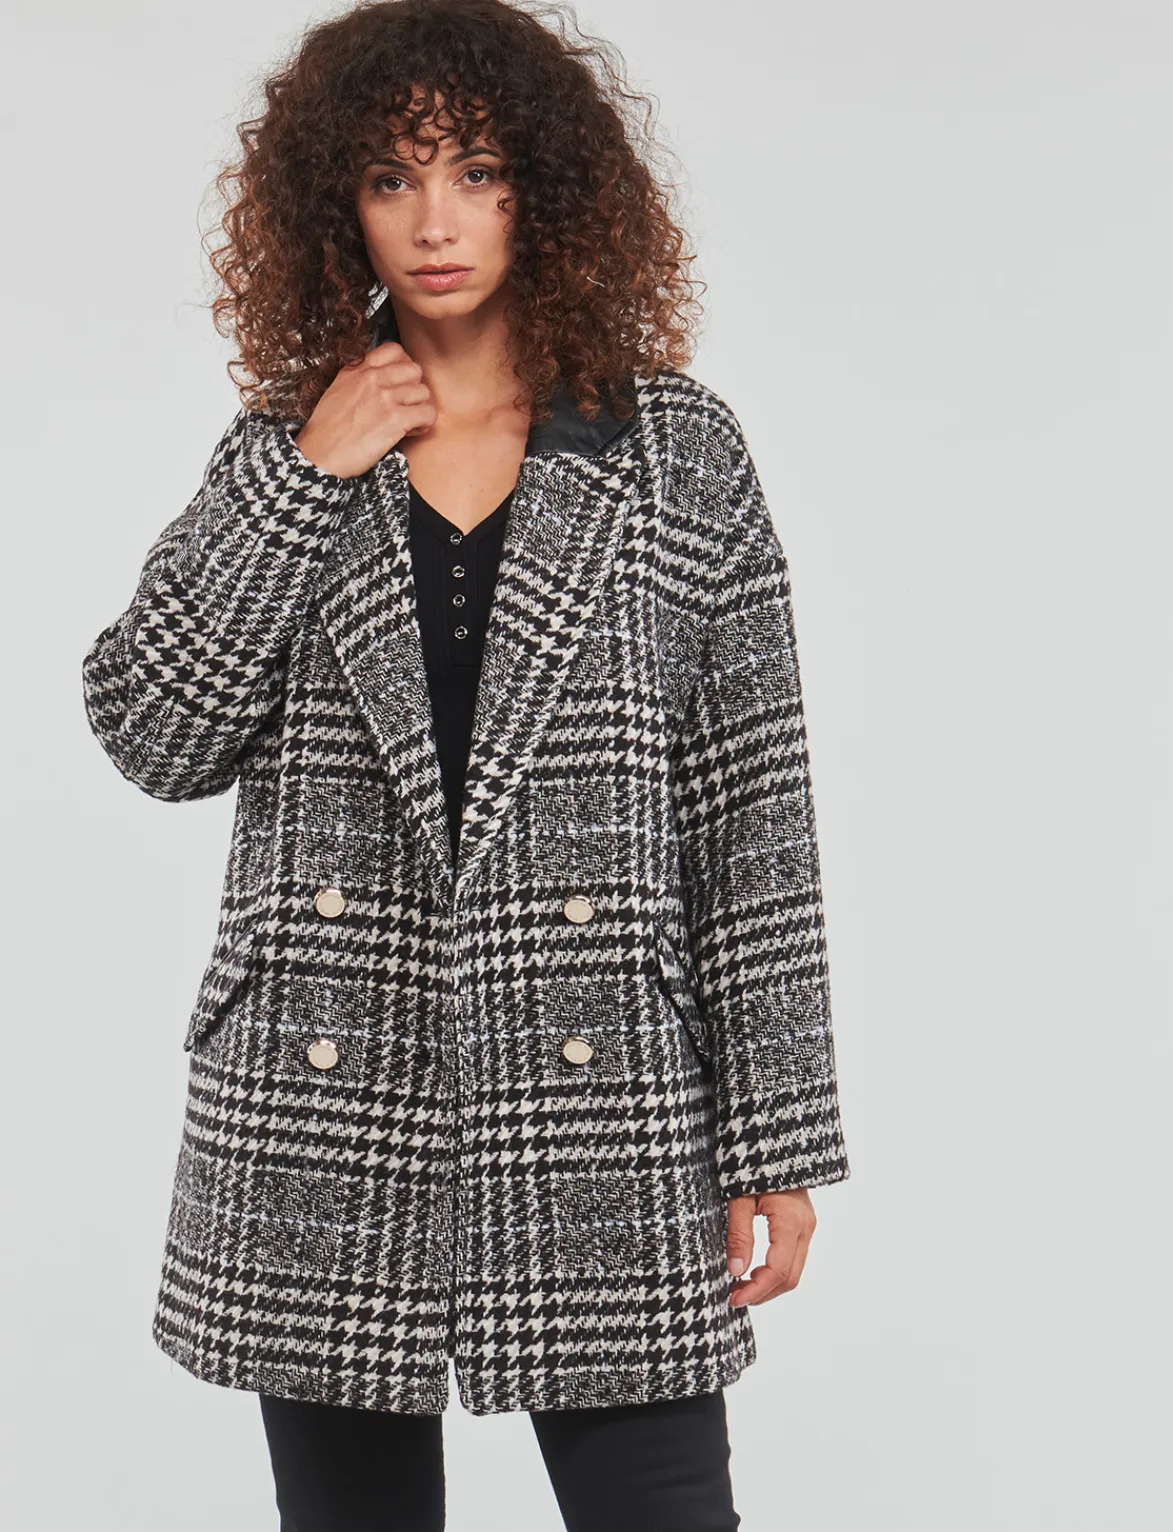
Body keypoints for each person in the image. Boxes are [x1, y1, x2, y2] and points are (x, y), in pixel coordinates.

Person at [80, 1, 851, 1527]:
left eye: (478, 173)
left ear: (543, 190)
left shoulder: (675, 450)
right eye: (391, 177)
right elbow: (152, 732)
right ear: (337, 205)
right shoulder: (287, 447)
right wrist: (308, 475)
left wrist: (776, 1134)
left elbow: (751, 809)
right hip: (327, 1088)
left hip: (602, 1081)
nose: (435, 222)